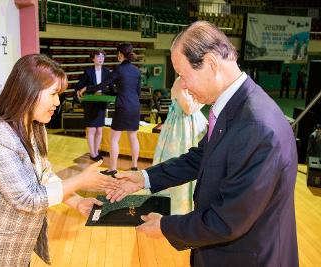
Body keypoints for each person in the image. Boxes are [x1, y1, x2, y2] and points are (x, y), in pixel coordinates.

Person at [107, 21, 298, 267]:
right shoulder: (237, 106)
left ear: (210, 63)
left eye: (184, 75)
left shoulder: (256, 126)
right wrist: (143, 178)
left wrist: (166, 226)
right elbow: (201, 157)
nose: (182, 85)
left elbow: (227, 221)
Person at [0, 54, 118, 266]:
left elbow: (44, 175)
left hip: (17, 247)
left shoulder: (34, 127)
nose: (57, 102)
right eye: (53, 94)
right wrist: (80, 180)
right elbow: (28, 199)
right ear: (28, 91)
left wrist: (77, 201)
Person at [82, 42, 141, 176]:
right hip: (135, 106)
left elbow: (103, 85)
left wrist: (87, 88)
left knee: (114, 139)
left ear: (121, 54)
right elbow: (138, 92)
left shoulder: (118, 69)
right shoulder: (137, 70)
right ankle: (134, 167)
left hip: (123, 106)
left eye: (117, 54)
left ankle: (112, 168)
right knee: (133, 137)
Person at [153, 77, 207, 214]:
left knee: (200, 163)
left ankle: (196, 207)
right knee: (179, 163)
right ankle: (174, 209)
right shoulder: (179, 81)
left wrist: (200, 99)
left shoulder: (197, 80)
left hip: (195, 124)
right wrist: (204, 98)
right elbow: (188, 108)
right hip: (179, 128)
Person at [75, 49, 112, 161]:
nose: (101, 59)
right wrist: (79, 91)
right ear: (93, 59)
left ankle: (96, 151)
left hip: (101, 103)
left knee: (99, 130)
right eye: (98, 56)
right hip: (90, 103)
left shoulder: (107, 72)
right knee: (91, 130)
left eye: (102, 57)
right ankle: (92, 153)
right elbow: (79, 85)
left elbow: (110, 88)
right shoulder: (88, 71)